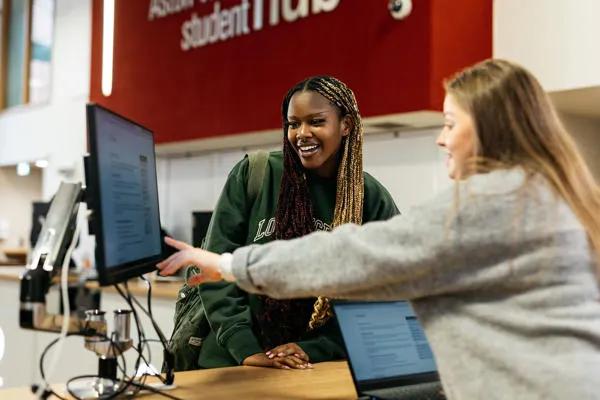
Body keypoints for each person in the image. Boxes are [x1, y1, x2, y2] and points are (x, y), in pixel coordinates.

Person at [158, 59, 600, 399]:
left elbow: (352, 258)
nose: (440, 139)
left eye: (449, 124)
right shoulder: (556, 197)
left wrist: (229, 264)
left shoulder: (494, 205)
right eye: (293, 123)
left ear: (488, 131)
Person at [180, 75, 399, 370]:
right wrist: (245, 349)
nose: (302, 133)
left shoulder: (368, 198)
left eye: (317, 122)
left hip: (314, 366)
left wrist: (317, 348)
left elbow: (384, 296)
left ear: (345, 125)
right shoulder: (254, 174)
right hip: (231, 363)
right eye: (293, 123)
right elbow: (216, 268)